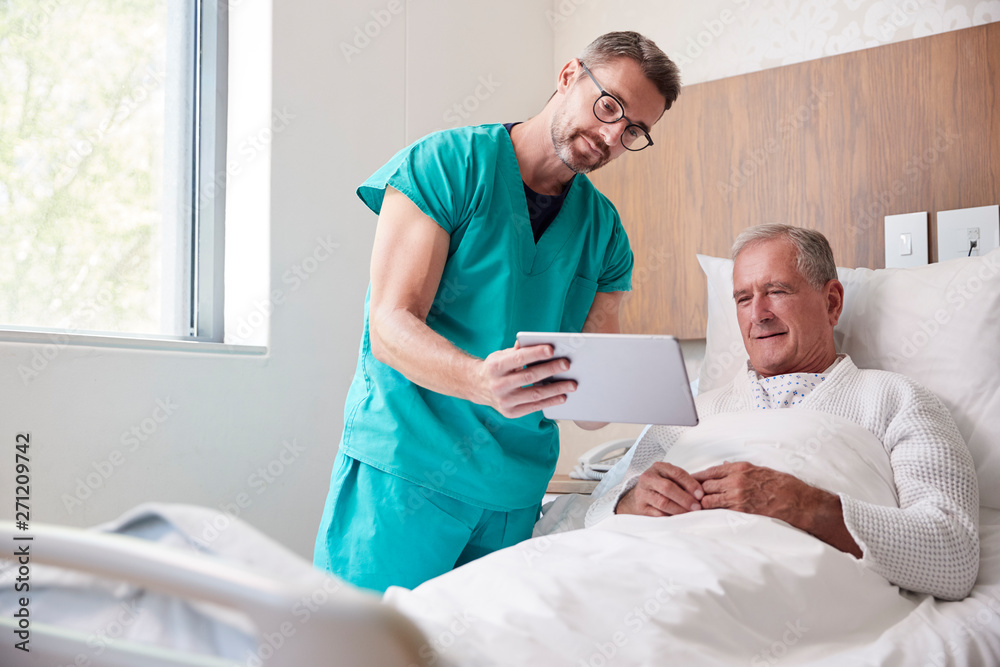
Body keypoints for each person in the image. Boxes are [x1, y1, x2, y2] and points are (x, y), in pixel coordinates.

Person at [314, 32, 682, 593]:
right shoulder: (447, 166)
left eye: (633, 131)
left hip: (512, 494)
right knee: (357, 650)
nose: (611, 136)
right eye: (609, 106)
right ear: (568, 76)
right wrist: (479, 380)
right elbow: (389, 326)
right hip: (405, 471)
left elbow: (588, 401)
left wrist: (630, 396)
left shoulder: (606, 235)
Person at [586, 224, 980, 600]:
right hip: (645, 578)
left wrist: (803, 505)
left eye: (776, 291)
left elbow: (952, 553)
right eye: (743, 298)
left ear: (832, 302)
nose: (758, 313)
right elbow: (596, 515)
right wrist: (632, 502)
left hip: (770, 596)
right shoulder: (690, 412)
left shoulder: (896, 399)